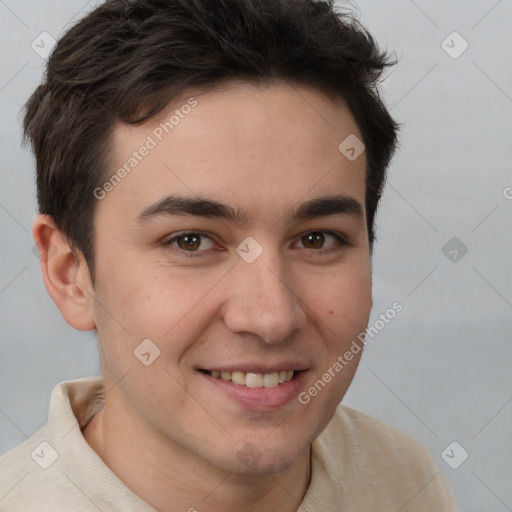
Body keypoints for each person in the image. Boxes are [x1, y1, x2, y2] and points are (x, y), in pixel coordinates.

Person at [0, 0, 460, 510]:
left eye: (317, 239)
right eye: (191, 241)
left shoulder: (401, 477)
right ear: (71, 275)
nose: (271, 317)